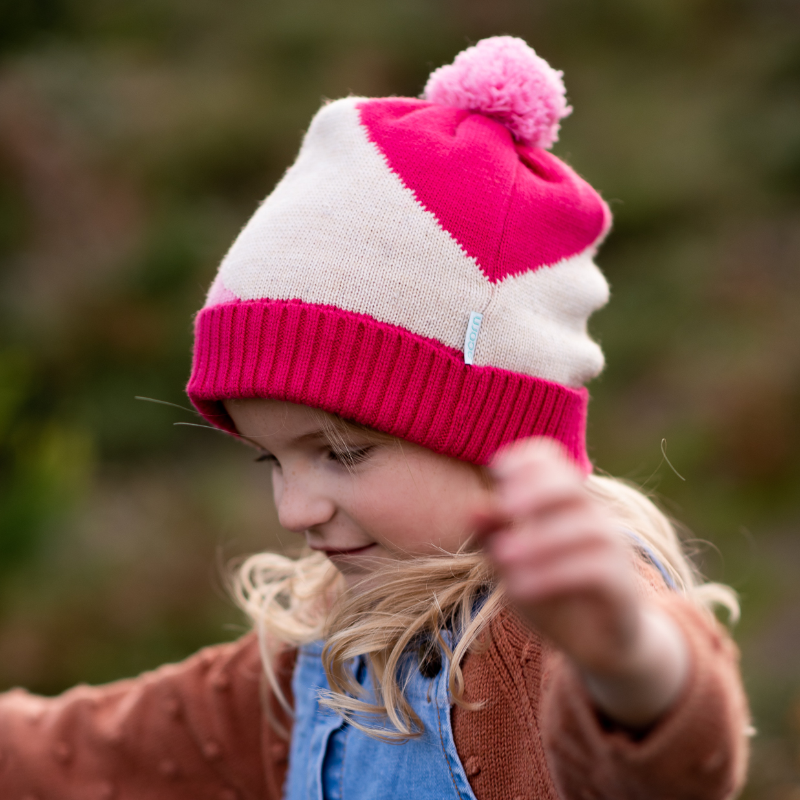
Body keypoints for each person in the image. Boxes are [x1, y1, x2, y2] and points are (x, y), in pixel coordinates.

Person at [0, 36, 749, 800]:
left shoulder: (545, 630)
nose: (295, 509)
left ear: (499, 443)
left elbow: (660, 769)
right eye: (271, 459)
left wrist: (631, 664)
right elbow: (88, 750)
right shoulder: (319, 656)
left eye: (343, 453)